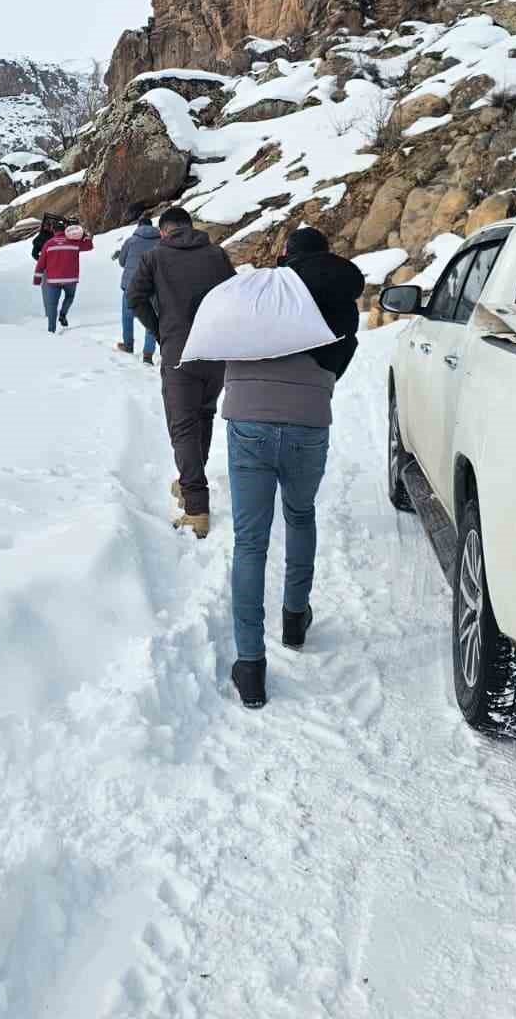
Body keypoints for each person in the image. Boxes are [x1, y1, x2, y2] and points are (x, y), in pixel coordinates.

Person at [222, 227, 365, 709]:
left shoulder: (262, 293)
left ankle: (250, 665)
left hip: (248, 418)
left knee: (250, 540)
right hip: (307, 420)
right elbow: (339, 362)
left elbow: (227, 340)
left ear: (286, 256)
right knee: (300, 515)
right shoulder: (341, 299)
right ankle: (294, 617)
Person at [127, 207, 235, 538]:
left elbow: (134, 297)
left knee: (183, 426)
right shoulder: (217, 255)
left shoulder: (155, 257)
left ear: (164, 232)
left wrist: (160, 330)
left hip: (179, 352)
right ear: (191, 227)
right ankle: (189, 482)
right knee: (203, 416)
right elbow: (235, 296)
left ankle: (196, 507)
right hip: (216, 351)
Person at [114, 210, 160, 364]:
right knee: (151, 318)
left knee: (127, 316)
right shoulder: (160, 241)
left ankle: (128, 345)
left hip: (131, 284)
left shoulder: (131, 241)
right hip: (152, 286)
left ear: (139, 226)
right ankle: (148, 354)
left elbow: (122, 261)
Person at [33, 219, 94, 333]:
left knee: (52, 305)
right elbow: (89, 245)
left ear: (53, 230)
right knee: (69, 297)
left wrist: (37, 279)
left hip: (53, 281)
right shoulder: (74, 242)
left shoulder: (48, 244)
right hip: (70, 280)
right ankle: (63, 314)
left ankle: (51, 331)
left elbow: (41, 263)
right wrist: (84, 234)